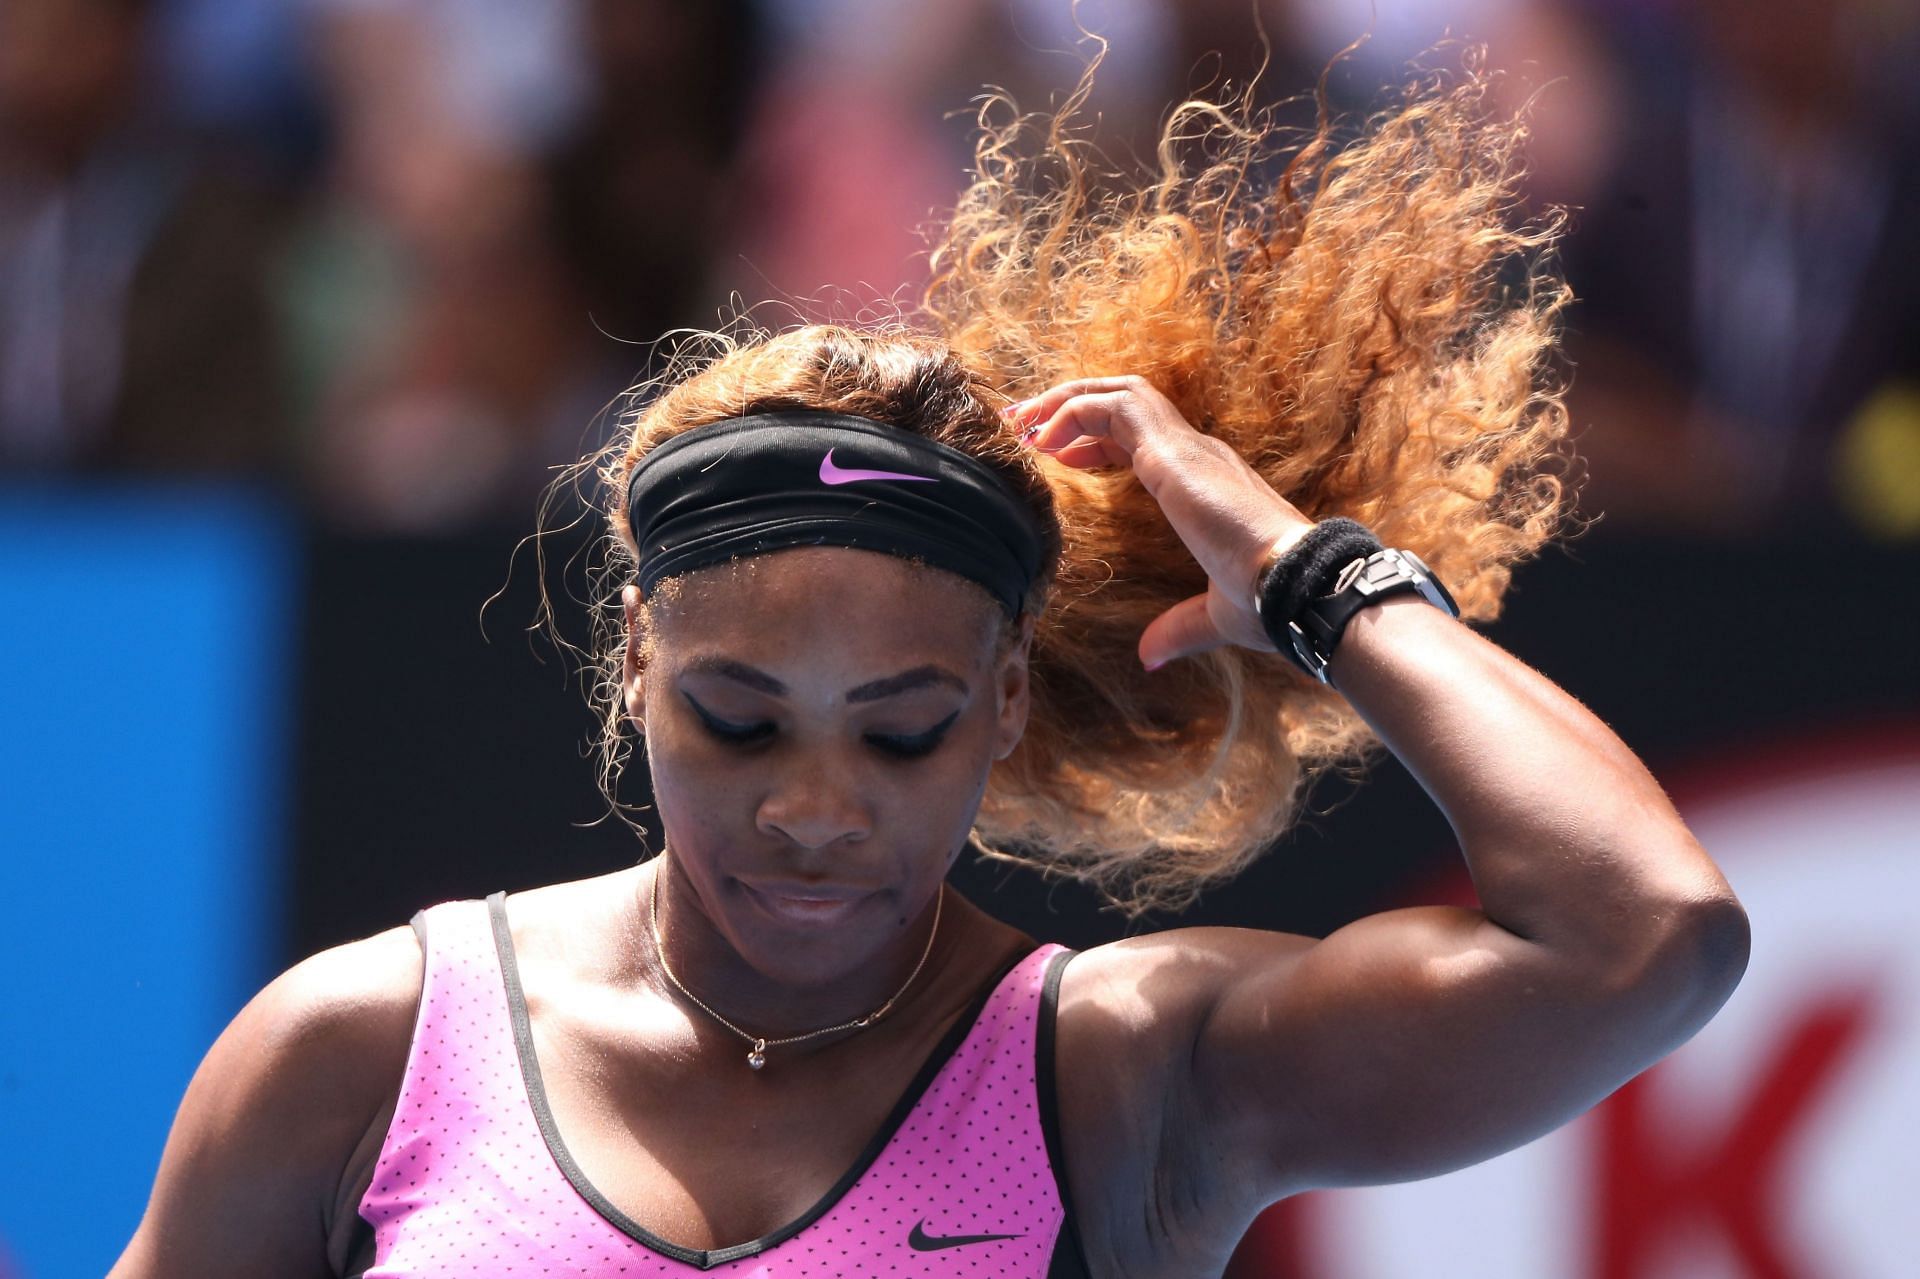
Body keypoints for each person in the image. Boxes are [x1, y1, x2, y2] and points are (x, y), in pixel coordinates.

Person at [109, 45, 1752, 1279]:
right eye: (740, 721)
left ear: (1006, 703)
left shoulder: (1120, 1076)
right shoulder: (365, 1053)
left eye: (901, 734)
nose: (814, 810)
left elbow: (1649, 937)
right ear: (633, 661)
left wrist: (1315, 579)